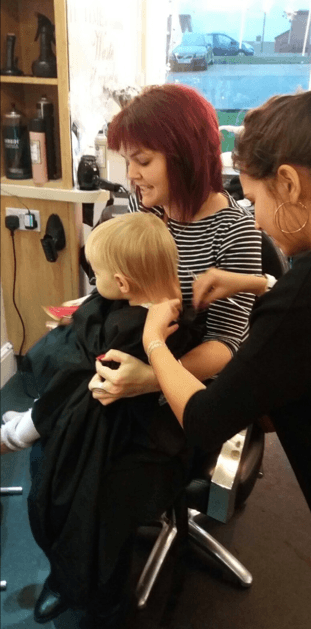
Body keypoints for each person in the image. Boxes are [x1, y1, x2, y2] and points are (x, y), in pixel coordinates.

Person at [24, 83, 263, 628]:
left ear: (186, 154)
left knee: (98, 489)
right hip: (126, 368)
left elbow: (226, 347)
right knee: (53, 456)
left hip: (176, 398)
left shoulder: (235, 232)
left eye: (144, 160)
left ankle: (97, 598)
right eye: (128, 161)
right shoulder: (141, 204)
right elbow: (120, 282)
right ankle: (69, 573)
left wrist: (149, 377)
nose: (132, 175)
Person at [141, 58, 311, 629]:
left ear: (289, 183)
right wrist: (255, 281)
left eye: (257, 198)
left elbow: (209, 418)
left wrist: (154, 349)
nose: (256, 218)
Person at [0, 213, 204, 627]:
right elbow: (100, 303)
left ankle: (97, 598)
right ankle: (67, 575)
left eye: (97, 274)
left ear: (124, 284)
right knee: (58, 436)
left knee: (73, 494)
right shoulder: (156, 295)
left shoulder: (134, 332)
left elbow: (87, 390)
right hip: (110, 412)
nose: (94, 282)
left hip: (136, 428)